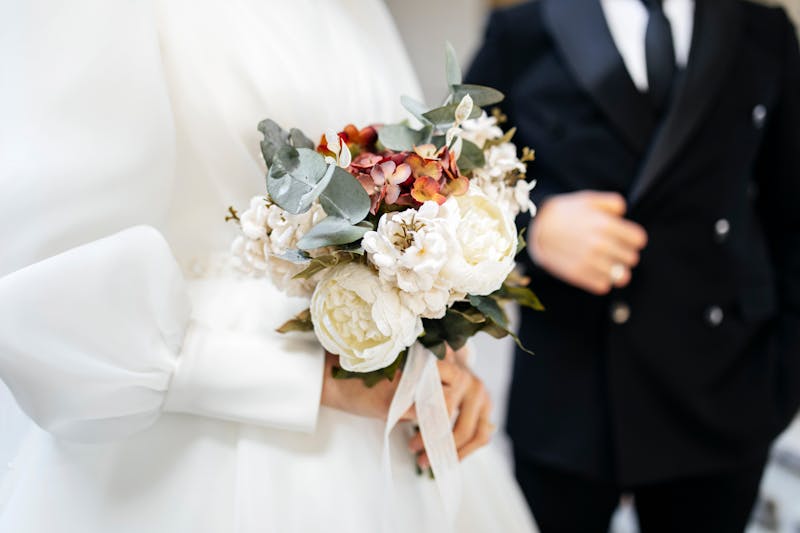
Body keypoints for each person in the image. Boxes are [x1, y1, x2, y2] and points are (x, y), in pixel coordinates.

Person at [0, 1, 538, 531]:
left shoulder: (360, 11)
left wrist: (442, 350)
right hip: (204, 448)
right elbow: (53, 289)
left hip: (389, 430)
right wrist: (312, 381)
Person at [466, 0, 800, 531]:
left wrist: (786, 373)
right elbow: (454, 180)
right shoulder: (522, 29)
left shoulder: (763, 29)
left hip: (726, 386)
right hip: (570, 391)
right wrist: (536, 224)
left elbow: (790, 212)